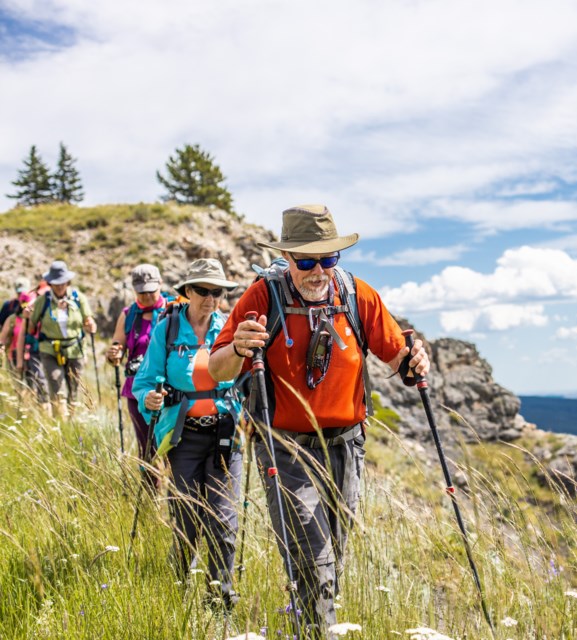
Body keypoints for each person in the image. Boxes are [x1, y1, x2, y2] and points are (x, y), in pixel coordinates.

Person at [208, 204, 430, 637]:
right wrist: (237, 348)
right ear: (287, 259)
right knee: (313, 557)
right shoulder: (262, 297)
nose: (318, 271)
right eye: (306, 261)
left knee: (332, 556)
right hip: (284, 447)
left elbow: (397, 355)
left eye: (327, 259)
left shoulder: (355, 294)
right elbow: (217, 369)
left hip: (347, 445)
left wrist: (416, 359)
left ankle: (309, 622)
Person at [132, 258, 242, 611]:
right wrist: (149, 398)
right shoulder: (167, 330)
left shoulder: (229, 328)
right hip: (183, 437)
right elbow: (144, 382)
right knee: (186, 518)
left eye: (218, 292)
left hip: (225, 435)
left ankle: (220, 602)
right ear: (188, 291)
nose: (210, 298)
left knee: (224, 520)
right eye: (203, 290)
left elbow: (246, 381)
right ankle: (178, 591)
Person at [107, 264, 169, 463]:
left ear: (161, 284)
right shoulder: (128, 315)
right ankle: (151, 490)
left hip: (169, 389)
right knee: (147, 447)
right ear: (134, 290)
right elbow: (117, 347)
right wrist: (114, 354)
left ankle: (174, 491)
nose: (148, 296)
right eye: (142, 292)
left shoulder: (173, 311)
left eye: (152, 290)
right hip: (137, 391)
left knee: (171, 445)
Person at [22, 261, 96, 417]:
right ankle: (60, 424)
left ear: (67, 281)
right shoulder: (43, 301)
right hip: (49, 349)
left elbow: (89, 322)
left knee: (75, 388)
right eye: (56, 283)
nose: (59, 286)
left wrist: (90, 326)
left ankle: (73, 423)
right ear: (50, 283)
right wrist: (27, 318)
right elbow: (32, 328)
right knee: (57, 385)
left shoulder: (78, 298)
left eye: (62, 282)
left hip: (75, 349)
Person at [0, 277, 31, 365]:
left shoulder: (34, 306)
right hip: (11, 346)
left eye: (23, 293)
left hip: (30, 349)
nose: (21, 295)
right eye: (19, 293)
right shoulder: (8, 306)